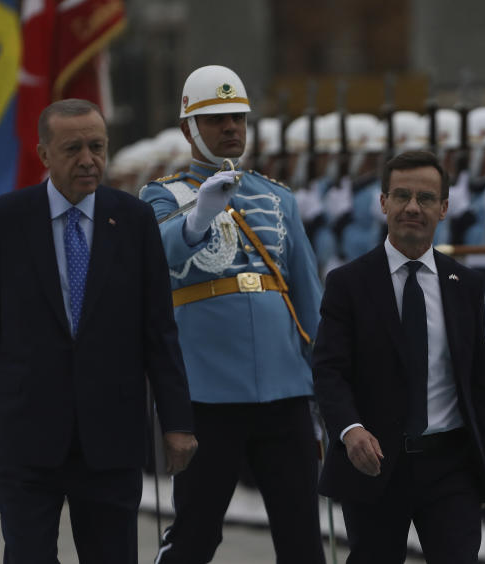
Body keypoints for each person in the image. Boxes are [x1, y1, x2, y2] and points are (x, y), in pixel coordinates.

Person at [0, 98, 197, 564]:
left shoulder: (134, 220)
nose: (88, 159)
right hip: (24, 435)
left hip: (110, 438)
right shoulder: (5, 219)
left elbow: (158, 330)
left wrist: (177, 421)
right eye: (73, 148)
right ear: (44, 154)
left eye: (98, 147)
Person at [139, 64, 326, 564]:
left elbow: (307, 297)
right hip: (207, 391)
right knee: (196, 534)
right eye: (217, 118)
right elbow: (154, 259)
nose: (231, 129)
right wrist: (198, 217)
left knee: (302, 535)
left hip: (285, 389)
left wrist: (328, 379)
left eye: (238, 118)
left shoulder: (277, 197)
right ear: (189, 129)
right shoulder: (162, 197)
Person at [313, 150, 485, 564]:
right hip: (375, 463)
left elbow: (477, 379)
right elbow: (329, 369)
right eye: (401, 196)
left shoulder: (464, 284)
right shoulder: (348, 283)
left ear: (444, 208)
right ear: (383, 203)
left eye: (426, 198)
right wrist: (350, 429)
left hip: (451, 466)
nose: (413, 207)